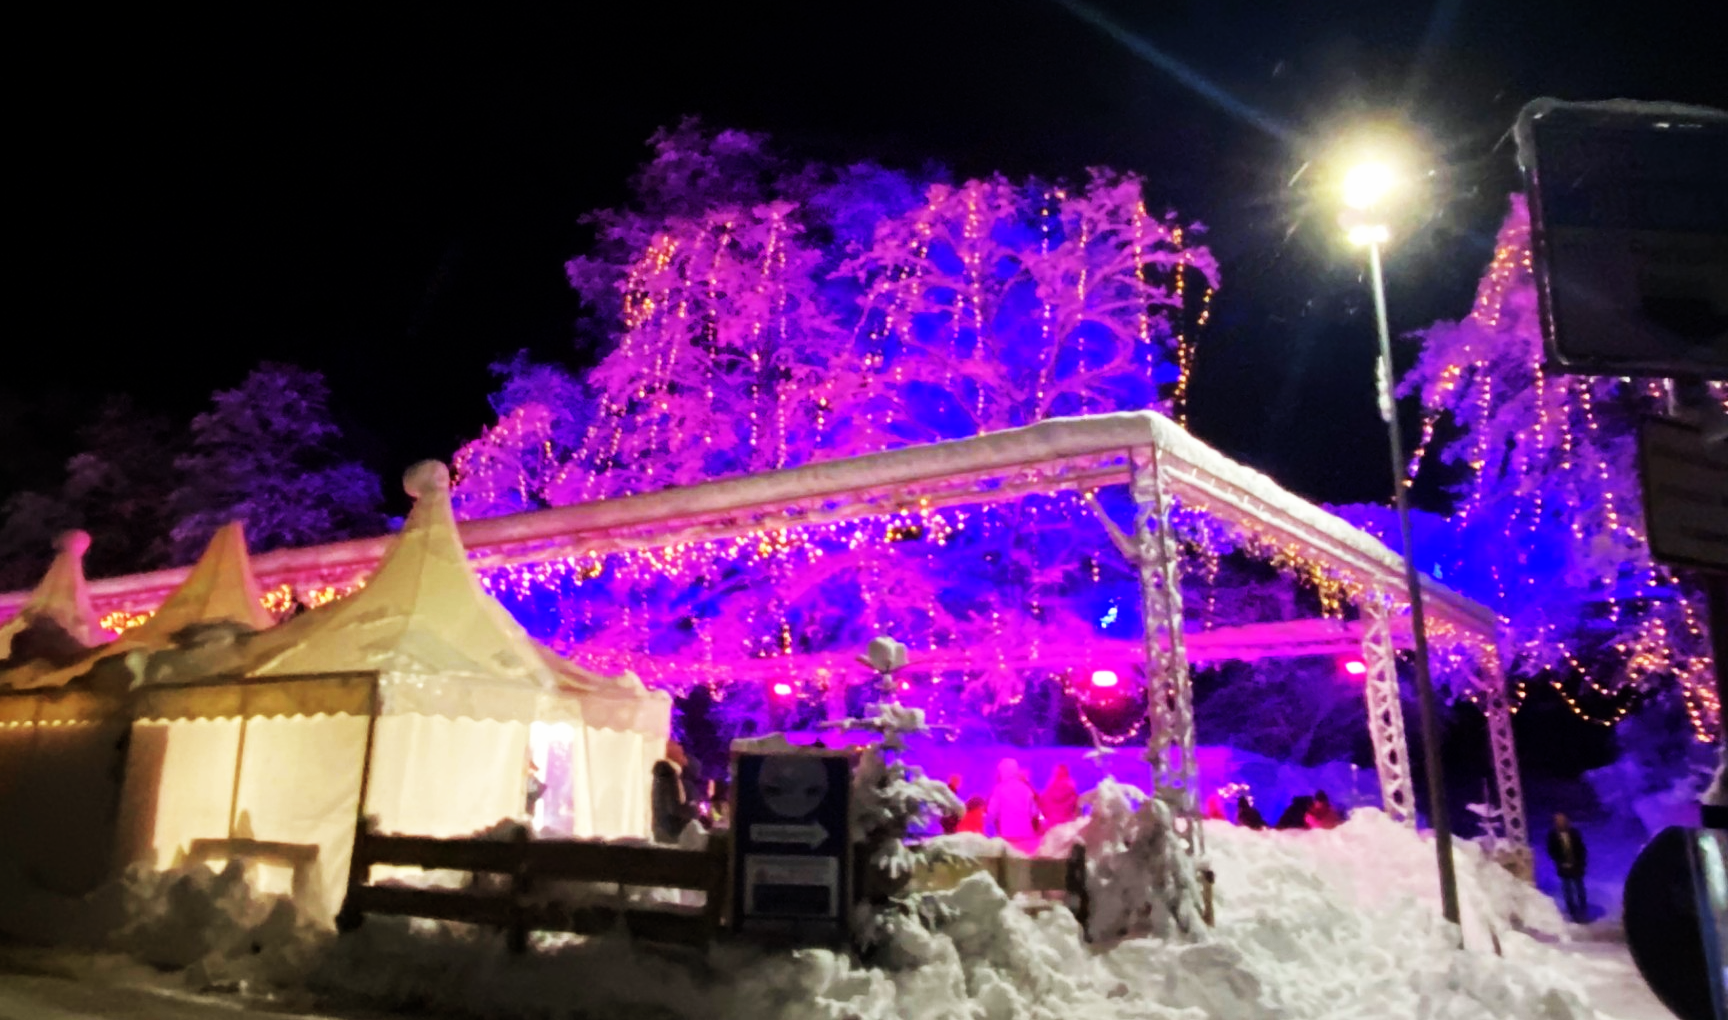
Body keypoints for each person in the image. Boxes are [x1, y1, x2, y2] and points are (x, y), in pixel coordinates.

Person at [985, 757, 1043, 854]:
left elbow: (992, 813)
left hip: (1008, 837)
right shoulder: (1026, 789)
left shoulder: (999, 790)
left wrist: (983, 821)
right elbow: (1034, 812)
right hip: (1027, 836)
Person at [651, 740, 697, 844]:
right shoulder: (667, 775)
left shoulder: (673, 775)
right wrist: (689, 816)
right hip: (670, 834)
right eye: (681, 753)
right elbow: (671, 807)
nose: (684, 756)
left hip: (669, 832)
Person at [1547, 813, 1589, 921]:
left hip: (1577, 866)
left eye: (1563, 821)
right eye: (1558, 821)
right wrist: (1560, 861)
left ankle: (1583, 910)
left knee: (1580, 889)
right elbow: (1551, 850)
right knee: (1568, 890)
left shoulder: (1574, 833)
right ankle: (1572, 912)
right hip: (1563, 867)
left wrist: (1581, 862)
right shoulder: (1552, 835)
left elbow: (1581, 848)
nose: (1561, 823)